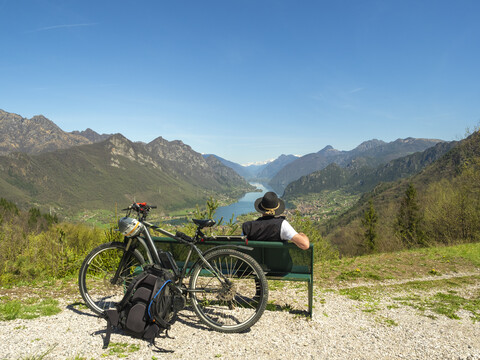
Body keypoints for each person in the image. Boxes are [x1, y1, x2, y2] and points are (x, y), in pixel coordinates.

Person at [242, 192, 310, 250]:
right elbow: (305, 245)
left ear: (261, 209)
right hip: (279, 265)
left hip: (254, 264)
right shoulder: (282, 225)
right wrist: (302, 234)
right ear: (276, 209)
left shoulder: (248, 227)